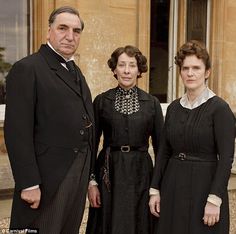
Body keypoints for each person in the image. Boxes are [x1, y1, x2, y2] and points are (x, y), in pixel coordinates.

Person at [4, 6, 94, 234]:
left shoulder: (76, 72)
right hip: (46, 179)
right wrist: (28, 183)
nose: (70, 36)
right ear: (48, 32)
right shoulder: (27, 68)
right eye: (62, 28)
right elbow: (17, 132)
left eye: (76, 31)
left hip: (77, 172)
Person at [149, 40, 235, 234]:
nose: (190, 73)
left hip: (205, 187)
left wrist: (214, 199)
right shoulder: (173, 108)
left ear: (207, 72)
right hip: (173, 184)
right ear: (180, 72)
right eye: (185, 68)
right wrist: (155, 190)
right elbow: (163, 152)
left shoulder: (220, 109)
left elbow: (226, 159)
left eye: (196, 68)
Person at [85, 45, 164, 234]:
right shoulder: (102, 101)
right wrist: (92, 182)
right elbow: (91, 145)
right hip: (109, 172)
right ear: (114, 69)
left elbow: (162, 149)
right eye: (122, 65)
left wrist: (157, 187)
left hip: (142, 173)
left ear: (139, 70)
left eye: (132, 65)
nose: (127, 71)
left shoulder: (152, 103)